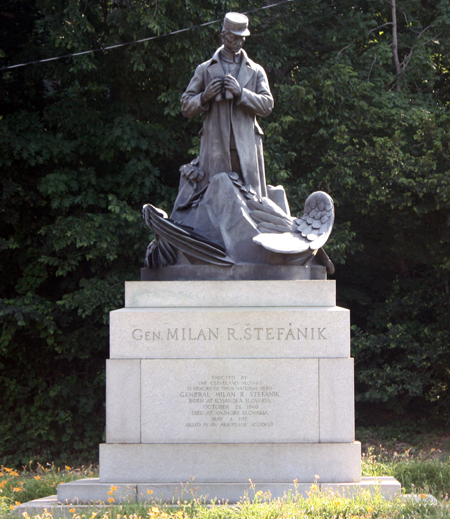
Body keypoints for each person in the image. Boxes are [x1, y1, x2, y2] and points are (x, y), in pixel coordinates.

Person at [180, 12, 273, 199]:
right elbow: (186, 107)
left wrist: (241, 93)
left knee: (250, 199)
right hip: (216, 146)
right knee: (215, 198)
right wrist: (204, 97)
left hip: (246, 145)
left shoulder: (255, 71)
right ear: (223, 35)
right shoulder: (205, 69)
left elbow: (267, 105)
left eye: (242, 38)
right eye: (233, 37)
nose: (238, 42)